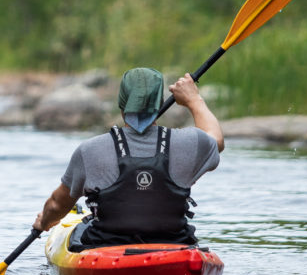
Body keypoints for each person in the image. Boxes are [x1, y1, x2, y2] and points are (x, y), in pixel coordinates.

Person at [33, 67, 224, 249]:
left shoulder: (89, 150)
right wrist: (193, 99)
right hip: (174, 246)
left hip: (107, 249)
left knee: (80, 228)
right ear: (159, 104)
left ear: (121, 103)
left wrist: (44, 221)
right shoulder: (191, 142)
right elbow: (217, 140)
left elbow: (58, 204)